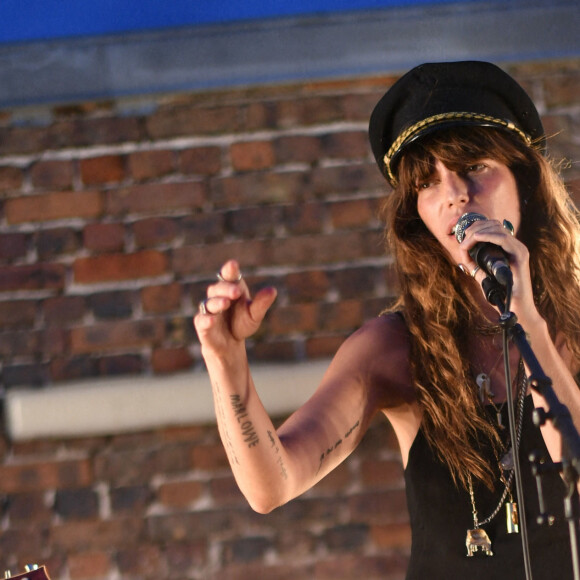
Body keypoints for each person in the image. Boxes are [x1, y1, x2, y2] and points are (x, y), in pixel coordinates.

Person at [194, 61, 580, 578]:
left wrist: (526, 317)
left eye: (473, 166)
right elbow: (273, 484)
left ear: (525, 182)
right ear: (416, 217)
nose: (455, 194)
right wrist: (226, 363)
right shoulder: (394, 349)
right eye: (428, 183)